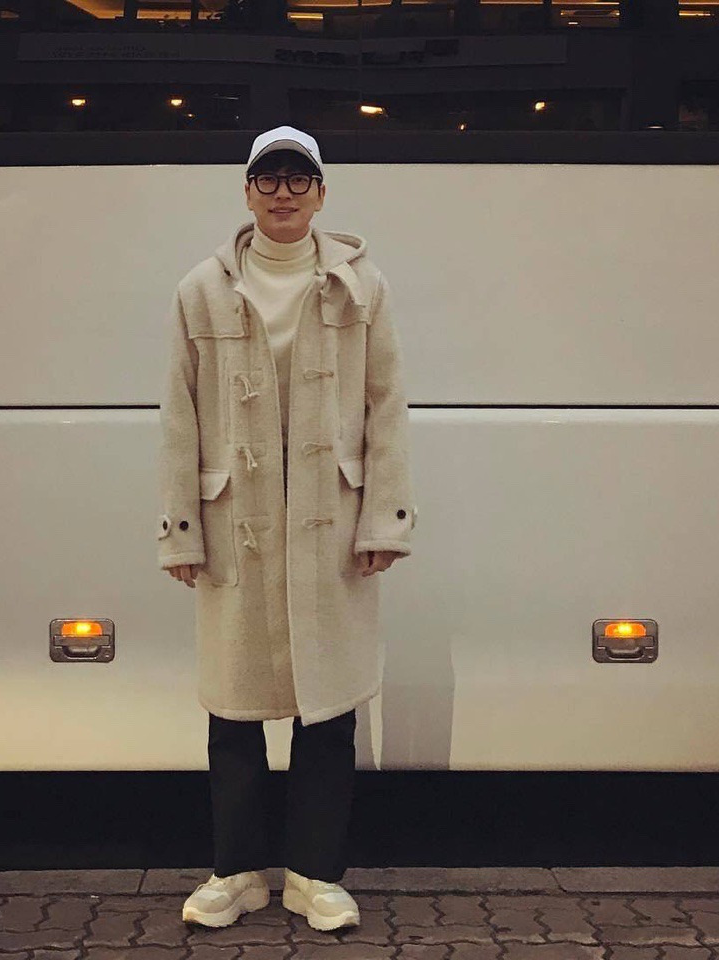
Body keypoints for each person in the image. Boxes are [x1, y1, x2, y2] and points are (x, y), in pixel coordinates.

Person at [156, 125, 417, 932]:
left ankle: (314, 875)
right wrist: (180, 528)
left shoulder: (360, 286)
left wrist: (384, 518)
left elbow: (386, 405)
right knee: (232, 710)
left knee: (327, 710)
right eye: (267, 178)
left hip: (328, 523)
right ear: (247, 192)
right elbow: (177, 413)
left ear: (321, 194)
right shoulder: (202, 288)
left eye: (298, 179)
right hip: (236, 522)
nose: (282, 193)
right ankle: (235, 872)